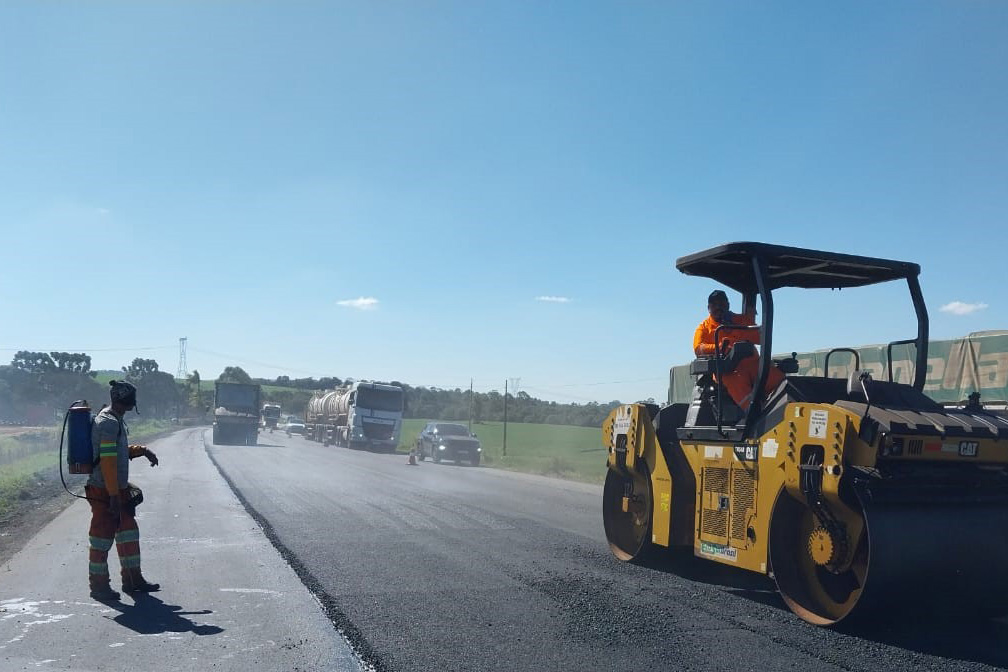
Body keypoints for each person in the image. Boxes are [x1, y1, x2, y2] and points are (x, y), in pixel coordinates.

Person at [86, 380, 161, 601]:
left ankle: (133, 580)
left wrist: (142, 451)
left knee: (128, 534)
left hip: (115, 489)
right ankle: (98, 586)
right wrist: (113, 496)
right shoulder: (108, 422)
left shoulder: (114, 420)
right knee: (101, 538)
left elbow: (115, 452)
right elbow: (107, 461)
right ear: (127, 401)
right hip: (104, 491)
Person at [693, 289, 785, 411]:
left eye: (721, 304)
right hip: (726, 370)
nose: (718, 307)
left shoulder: (742, 321)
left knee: (775, 378)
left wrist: (734, 329)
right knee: (736, 381)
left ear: (728, 305)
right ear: (708, 308)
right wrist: (719, 347)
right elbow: (698, 348)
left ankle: (783, 406)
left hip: (751, 364)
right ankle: (754, 414)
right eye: (714, 305)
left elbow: (760, 338)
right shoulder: (703, 328)